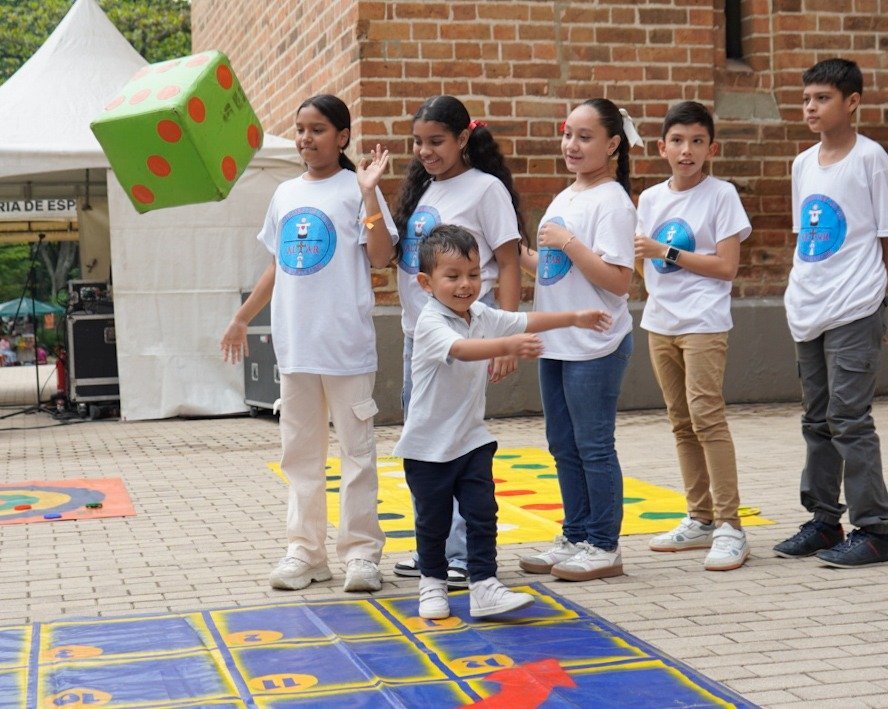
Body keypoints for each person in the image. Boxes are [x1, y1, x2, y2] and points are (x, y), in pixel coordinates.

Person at [220, 94, 398, 591]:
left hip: (347, 347)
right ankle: (306, 552)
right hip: (295, 348)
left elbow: (382, 256)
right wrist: (240, 319)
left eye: (317, 129)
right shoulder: (283, 194)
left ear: (342, 137)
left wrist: (368, 195)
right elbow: (277, 267)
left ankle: (362, 555)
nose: (305, 138)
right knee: (299, 455)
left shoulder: (357, 189)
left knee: (357, 454)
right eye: (300, 129)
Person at [395, 225, 611, 619]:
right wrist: (506, 347)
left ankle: (483, 585)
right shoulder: (429, 322)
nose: (465, 285)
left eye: (474, 275)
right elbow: (462, 350)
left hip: (472, 441)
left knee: (482, 513)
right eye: (453, 276)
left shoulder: (480, 314)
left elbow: (525, 321)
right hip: (427, 448)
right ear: (426, 282)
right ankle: (432, 584)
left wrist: (575, 317)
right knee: (434, 522)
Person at [391, 95, 526, 589]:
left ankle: (463, 554)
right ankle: (436, 549)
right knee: (428, 446)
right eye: (419, 143)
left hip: (464, 337)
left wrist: (508, 339)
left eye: (437, 142)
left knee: (459, 445)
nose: (425, 151)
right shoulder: (422, 190)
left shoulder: (485, 189)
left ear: (464, 138)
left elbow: (508, 261)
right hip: (419, 337)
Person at [772, 58, 888, 568]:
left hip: (855, 305)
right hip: (809, 305)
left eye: (822, 98)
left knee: (849, 419)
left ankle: (875, 532)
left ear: (852, 102)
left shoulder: (871, 160)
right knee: (816, 420)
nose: (810, 107)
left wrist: (876, 301)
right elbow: (807, 237)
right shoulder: (803, 163)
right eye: (806, 99)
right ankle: (825, 522)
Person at [517, 98, 639, 582]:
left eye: (585, 137)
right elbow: (552, 270)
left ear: (613, 144)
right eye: (568, 133)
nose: (572, 144)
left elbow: (617, 280)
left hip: (596, 344)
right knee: (562, 444)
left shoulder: (611, 201)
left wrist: (567, 242)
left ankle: (604, 545)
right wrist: (512, 252)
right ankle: (575, 533)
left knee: (592, 445)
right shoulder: (567, 196)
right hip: (557, 340)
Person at [634, 101, 753, 571]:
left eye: (697, 142)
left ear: (711, 148)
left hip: (704, 321)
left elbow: (726, 266)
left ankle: (730, 526)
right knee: (680, 421)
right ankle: (699, 518)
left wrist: (668, 251)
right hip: (660, 322)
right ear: (663, 147)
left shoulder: (721, 195)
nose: (687, 151)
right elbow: (642, 260)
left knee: (707, 417)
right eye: (678, 141)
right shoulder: (649, 199)